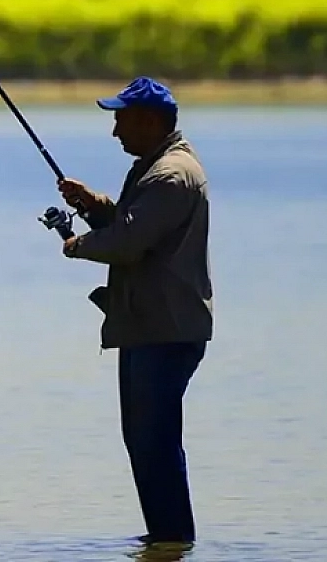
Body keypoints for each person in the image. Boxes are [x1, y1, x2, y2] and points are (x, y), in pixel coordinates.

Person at [57, 75, 213, 552]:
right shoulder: (154, 168)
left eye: (121, 120)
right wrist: (92, 205)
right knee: (145, 442)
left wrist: (77, 245)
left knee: (155, 443)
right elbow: (130, 224)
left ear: (149, 120)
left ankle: (173, 540)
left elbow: (127, 244)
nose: (115, 131)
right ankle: (166, 541)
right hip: (149, 327)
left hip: (165, 331)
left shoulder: (169, 175)